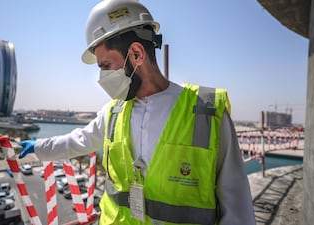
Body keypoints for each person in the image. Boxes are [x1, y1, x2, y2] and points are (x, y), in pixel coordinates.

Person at [19, 0, 256, 224]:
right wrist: (31, 148)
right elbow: (77, 141)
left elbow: (237, 208)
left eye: (106, 66)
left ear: (136, 54)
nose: (102, 77)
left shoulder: (206, 112)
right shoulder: (114, 112)